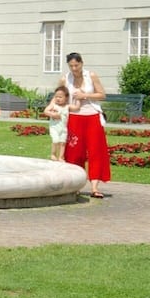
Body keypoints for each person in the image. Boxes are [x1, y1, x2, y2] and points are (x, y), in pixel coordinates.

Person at [60, 53, 111, 198]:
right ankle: (75, 185)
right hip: (75, 117)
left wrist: (85, 96)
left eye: (77, 65)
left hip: (92, 116)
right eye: (71, 66)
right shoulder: (65, 79)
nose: (74, 68)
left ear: (82, 63)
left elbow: (102, 94)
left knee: (95, 151)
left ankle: (95, 187)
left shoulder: (91, 76)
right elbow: (59, 97)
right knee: (75, 152)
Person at [42, 85, 75, 161]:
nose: (57, 98)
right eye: (56, 97)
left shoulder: (67, 106)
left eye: (60, 97)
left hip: (64, 128)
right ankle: (53, 154)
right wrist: (53, 114)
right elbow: (45, 111)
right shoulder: (53, 105)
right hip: (54, 128)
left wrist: (79, 100)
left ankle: (61, 157)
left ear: (66, 98)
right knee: (55, 140)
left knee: (63, 142)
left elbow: (76, 108)